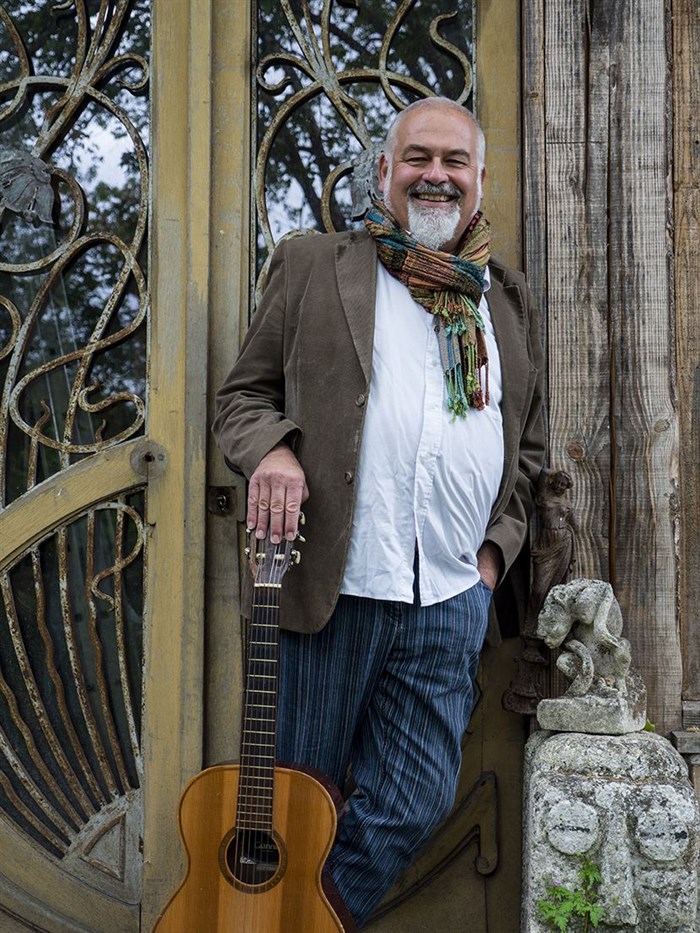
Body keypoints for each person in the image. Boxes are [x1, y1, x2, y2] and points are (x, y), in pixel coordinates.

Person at [213, 96, 545, 927]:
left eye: (454, 161)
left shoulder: (503, 301)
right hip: (336, 587)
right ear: (386, 171)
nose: (436, 175)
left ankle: (300, 922)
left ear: (479, 180)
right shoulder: (314, 265)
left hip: (448, 597)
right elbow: (242, 398)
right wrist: (274, 451)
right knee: (298, 803)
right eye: (418, 158)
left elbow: (528, 453)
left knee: (413, 800)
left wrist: (491, 560)